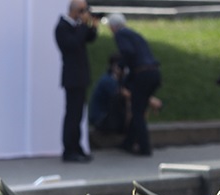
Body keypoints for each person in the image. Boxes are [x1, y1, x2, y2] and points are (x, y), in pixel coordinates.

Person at [107, 13, 161, 156]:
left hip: (142, 74)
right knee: (139, 108)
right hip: (153, 72)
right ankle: (129, 142)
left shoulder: (120, 34)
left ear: (112, 27)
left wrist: (120, 66)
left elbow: (128, 52)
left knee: (137, 112)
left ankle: (144, 147)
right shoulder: (135, 34)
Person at [56, 0, 98, 163]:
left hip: (80, 77)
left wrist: (92, 26)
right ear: (75, 11)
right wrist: (83, 25)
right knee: (72, 115)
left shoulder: (77, 27)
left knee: (79, 115)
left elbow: (89, 38)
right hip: (72, 78)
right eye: (83, 10)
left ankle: (77, 147)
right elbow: (73, 44)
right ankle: (69, 150)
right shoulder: (62, 27)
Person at [89, 54, 129, 137]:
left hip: (109, 118)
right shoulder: (107, 80)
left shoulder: (120, 80)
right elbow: (125, 94)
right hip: (101, 119)